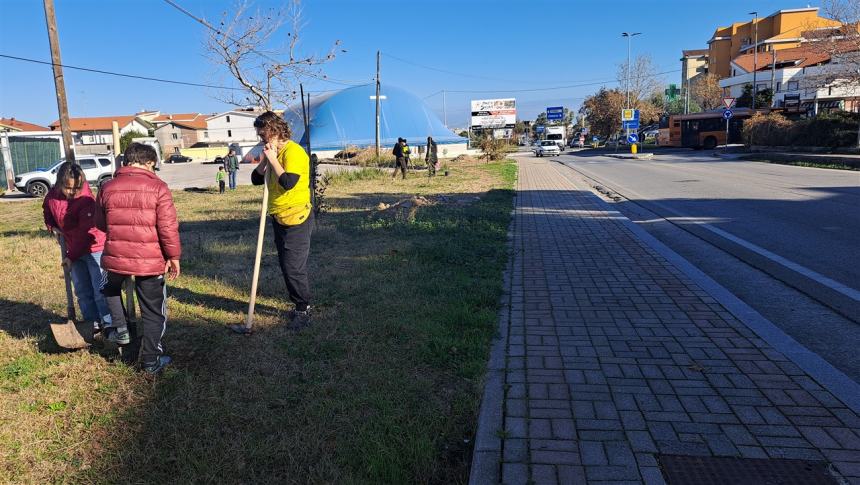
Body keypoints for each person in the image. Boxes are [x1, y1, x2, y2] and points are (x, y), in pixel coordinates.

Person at [96, 142, 181, 375]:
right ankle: (150, 361)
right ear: (149, 162)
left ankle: (120, 327)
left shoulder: (106, 187)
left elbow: (101, 224)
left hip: (115, 258)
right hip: (150, 261)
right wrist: (173, 256)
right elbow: (167, 227)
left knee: (108, 287)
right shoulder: (158, 187)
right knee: (153, 311)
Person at [249, 111, 314, 330]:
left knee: (293, 266)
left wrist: (274, 160)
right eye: (259, 134)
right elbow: (256, 179)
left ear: (274, 130)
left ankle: (303, 309)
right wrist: (264, 162)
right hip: (278, 215)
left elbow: (287, 182)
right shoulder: (271, 151)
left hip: (297, 216)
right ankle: (299, 303)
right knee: (286, 265)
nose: (260, 137)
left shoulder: (294, 152)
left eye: (263, 133)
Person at [43, 162, 111, 333]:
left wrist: (70, 257)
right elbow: (47, 212)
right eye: (68, 188)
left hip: (94, 247)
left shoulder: (86, 199)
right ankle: (92, 324)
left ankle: (110, 324)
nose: (72, 192)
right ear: (59, 183)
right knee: (81, 290)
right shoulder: (52, 196)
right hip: (72, 249)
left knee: (100, 290)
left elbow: (83, 234)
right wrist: (53, 227)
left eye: (76, 188)